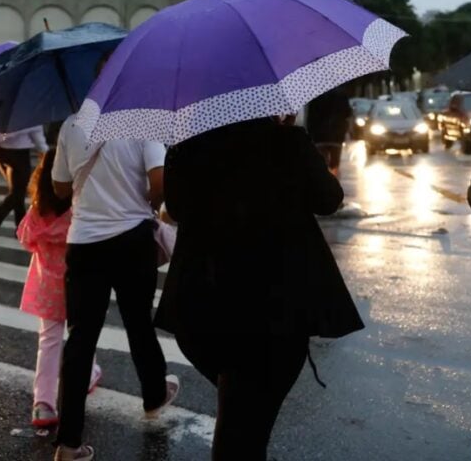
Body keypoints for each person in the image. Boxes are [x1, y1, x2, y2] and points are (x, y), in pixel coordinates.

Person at [156, 115, 365, 461]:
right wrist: (294, 140)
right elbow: (329, 199)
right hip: (275, 307)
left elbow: (175, 209)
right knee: (246, 428)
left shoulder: (187, 146)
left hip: (205, 301)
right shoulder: (286, 142)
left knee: (239, 411)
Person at [51, 116, 180, 461]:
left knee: (80, 338)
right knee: (138, 321)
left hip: (84, 243)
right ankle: (154, 395)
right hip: (132, 240)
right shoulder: (142, 122)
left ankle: (68, 442)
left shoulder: (71, 125)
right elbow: (159, 180)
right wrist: (147, 203)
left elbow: (60, 188)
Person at [17, 150, 102, 429]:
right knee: (82, 337)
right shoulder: (79, 210)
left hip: (46, 290)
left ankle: (43, 404)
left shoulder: (38, 211)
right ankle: (87, 375)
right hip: (78, 285)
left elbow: (25, 238)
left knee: (49, 342)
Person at [0, 126, 48, 243]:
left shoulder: (3, 110)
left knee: (18, 191)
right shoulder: (25, 110)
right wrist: (45, 151)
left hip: (1, 152)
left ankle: (20, 228)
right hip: (19, 153)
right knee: (18, 192)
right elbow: (34, 130)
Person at [306, 87, 351, 177]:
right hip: (336, 135)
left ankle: (323, 182)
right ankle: (334, 183)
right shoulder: (341, 95)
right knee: (334, 163)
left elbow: (310, 116)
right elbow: (348, 113)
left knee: (321, 162)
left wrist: (310, 132)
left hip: (319, 135)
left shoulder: (315, 95)